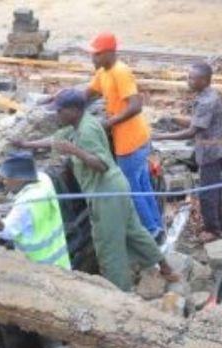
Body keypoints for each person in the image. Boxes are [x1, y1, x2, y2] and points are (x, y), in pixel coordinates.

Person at [13, 89, 179, 292]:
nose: (57, 115)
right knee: (135, 232)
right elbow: (56, 141)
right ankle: (166, 268)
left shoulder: (87, 131)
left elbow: (101, 165)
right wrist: (25, 144)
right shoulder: (79, 124)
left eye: (59, 111)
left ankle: (121, 296)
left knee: (109, 248)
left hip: (105, 192)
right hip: (117, 187)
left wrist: (74, 151)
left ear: (73, 110)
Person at [83, 32, 164, 241]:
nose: (93, 59)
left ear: (109, 53)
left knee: (132, 189)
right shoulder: (104, 72)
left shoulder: (120, 72)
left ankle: (151, 231)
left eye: (96, 55)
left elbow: (136, 105)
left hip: (130, 142)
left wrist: (107, 123)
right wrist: (59, 99)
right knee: (142, 184)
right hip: (136, 139)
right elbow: (89, 93)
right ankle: (156, 224)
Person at [154, 62, 222, 241]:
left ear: (203, 80)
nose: (188, 81)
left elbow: (191, 132)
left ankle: (213, 231)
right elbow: (196, 122)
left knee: (207, 194)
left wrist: (161, 137)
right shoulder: (209, 94)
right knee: (215, 191)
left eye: (192, 78)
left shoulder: (206, 101)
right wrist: (173, 119)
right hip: (215, 150)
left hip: (210, 154)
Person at [0, 152, 72, 269]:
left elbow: (3, 230)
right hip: (61, 262)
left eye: (7, 178)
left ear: (20, 179)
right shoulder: (44, 179)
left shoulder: (25, 206)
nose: (4, 182)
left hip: (41, 268)